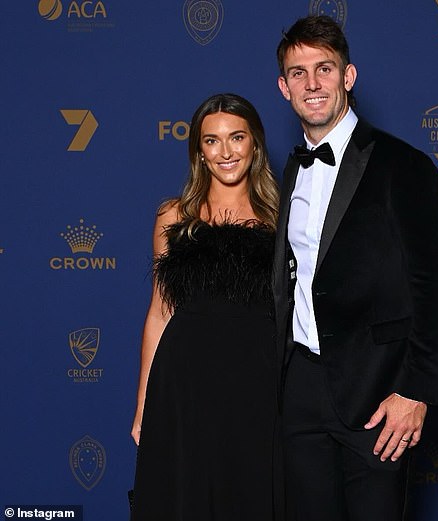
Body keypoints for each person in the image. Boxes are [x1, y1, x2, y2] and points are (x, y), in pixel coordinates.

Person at [272, 16, 438, 521]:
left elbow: (437, 290)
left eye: (324, 69)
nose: (312, 83)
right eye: (298, 72)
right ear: (283, 86)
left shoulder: (406, 167)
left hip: (378, 395)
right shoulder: (290, 170)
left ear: (348, 77)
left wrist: (416, 391)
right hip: (301, 389)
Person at [130, 93, 280, 520]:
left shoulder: (284, 217)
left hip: (258, 383)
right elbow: (160, 313)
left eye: (237, 137)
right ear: (199, 150)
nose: (226, 151)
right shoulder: (174, 217)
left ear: (254, 145)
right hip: (185, 384)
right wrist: (144, 403)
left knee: (252, 494)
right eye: (212, 141)